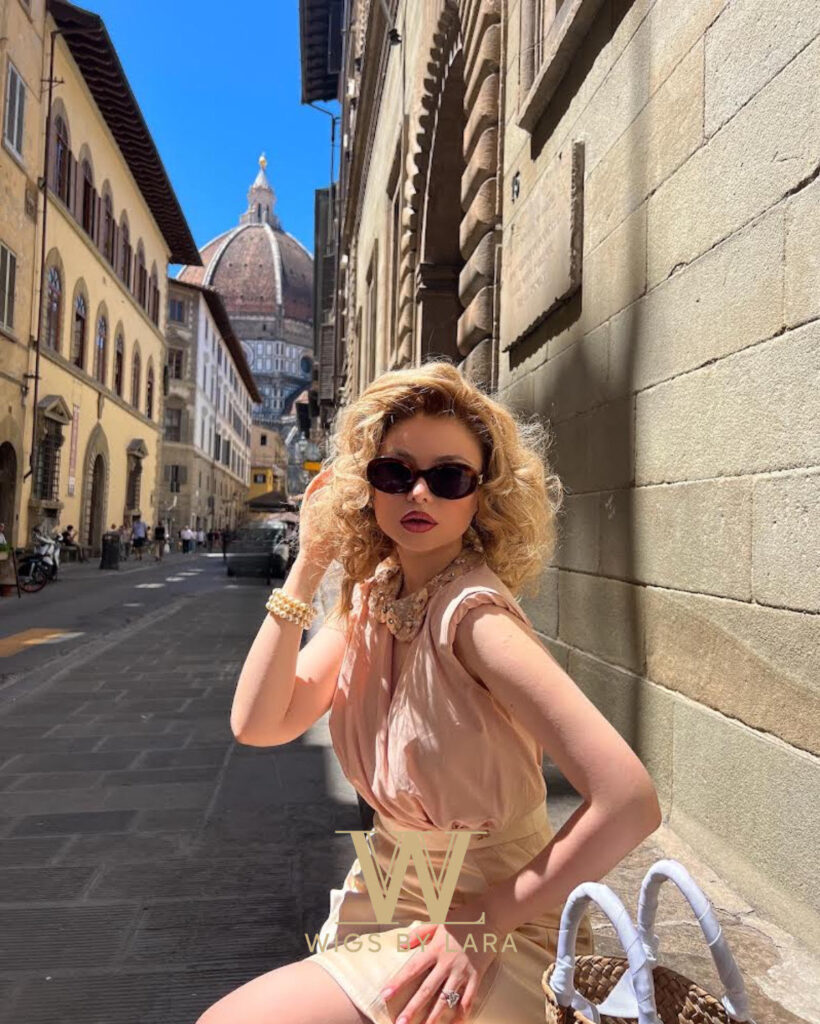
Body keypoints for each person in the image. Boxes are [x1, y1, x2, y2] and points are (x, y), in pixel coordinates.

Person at [198, 360, 662, 1024]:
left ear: (481, 495)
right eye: (395, 473)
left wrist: (485, 920)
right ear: (367, 485)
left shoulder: (475, 620)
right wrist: (308, 565)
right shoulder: (375, 597)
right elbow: (260, 723)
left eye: (448, 477)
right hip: (387, 894)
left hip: (491, 923)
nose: (419, 493)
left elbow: (629, 800)